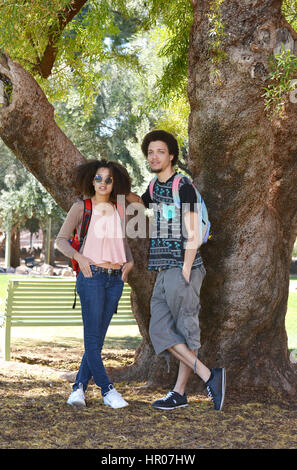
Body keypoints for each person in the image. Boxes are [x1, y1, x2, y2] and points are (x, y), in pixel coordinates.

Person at [126, 130, 226, 411]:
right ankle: (209, 375)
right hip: (162, 271)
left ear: (171, 155)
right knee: (160, 331)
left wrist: (184, 268)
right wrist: (117, 187)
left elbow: (193, 230)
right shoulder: (154, 187)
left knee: (185, 331)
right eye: (150, 152)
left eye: (160, 151)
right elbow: (140, 202)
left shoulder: (183, 186)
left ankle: (180, 392)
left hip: (183, 269)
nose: (154, 156)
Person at [56, 159, 134, 409]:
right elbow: (61, 241)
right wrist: (79, 257)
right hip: (92, 278)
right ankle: (107, 389)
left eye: (108, 179)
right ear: (91, 180)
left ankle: (78, 388)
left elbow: (123, 243)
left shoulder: (119, 208)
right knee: (92, 338)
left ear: (115, 183)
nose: (103, 183)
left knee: (97, 340)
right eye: (98, 178)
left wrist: (128, 264)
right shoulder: (82, 207)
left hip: (115, 280)